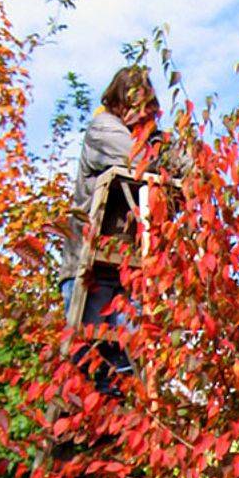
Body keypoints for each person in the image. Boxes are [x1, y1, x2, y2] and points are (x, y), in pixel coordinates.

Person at [59, 66, 160, 396]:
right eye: (138, 105)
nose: (144, 115)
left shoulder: (141, 133)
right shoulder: (103, 129)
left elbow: (181, 164)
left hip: (125, 269)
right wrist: (162, 146)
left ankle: (118, 442)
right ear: (120, 101)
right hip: (91, 270)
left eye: (148, 107)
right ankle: (77, 444)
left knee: (128, 373)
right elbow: (143, 159)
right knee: (92, 370)